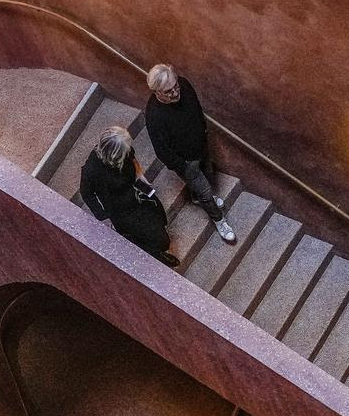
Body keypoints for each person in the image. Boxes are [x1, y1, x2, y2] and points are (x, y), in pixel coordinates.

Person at [143, 63, 237, 244]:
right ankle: (219, 220)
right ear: (157, 92)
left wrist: (203, 131)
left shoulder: (184, 85)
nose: (176, 92)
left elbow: (196, 108)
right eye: (168, 91)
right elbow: (162, 150)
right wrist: (182, 166)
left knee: (209, 172)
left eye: (175, 85)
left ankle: (195, 196)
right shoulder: (155, 116)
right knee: (207, 193)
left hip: (201, 147)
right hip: (186, 161)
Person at [78, 126, 179, 267]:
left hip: (137, 194)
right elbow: (87, 193)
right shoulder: (92, 170)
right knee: (145, 237)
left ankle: (160, 247)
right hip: (121, 210)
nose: (129, 149)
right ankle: (157, 254)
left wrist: (140, 177)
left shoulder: (125, 151)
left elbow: (132, 158)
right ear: (114, 153)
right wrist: (103, 215)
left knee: (158, 217)